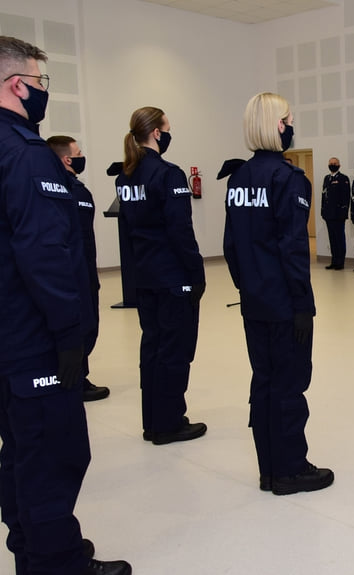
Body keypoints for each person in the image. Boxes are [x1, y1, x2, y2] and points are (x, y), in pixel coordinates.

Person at [0, 35, 131, 575]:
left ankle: (32, 549)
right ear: (16, 85)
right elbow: (45, 255)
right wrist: (70, 333)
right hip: (34, 338)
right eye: (39, 81)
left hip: (7, 335)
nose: (42, 92)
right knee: (53, 454)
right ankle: (56, 563)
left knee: (19, 452)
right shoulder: (28, 157)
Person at [221, 92, 334, 495]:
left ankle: (269, 469)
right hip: (285, 303)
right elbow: (292, 249)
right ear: (276, 125)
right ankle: (290, 470)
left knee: (264, 383)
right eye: (288, 119)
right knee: (289, 384)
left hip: (254, 302)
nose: (291, 125)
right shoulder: (288, 180)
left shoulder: (238, 178)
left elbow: (232, 245)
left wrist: (249, 286)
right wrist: (303, 304)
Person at [115, 106, 206, 446]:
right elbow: (181, 230)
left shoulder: (125, 176)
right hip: (172, 278)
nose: (169, 134)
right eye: (167, 128)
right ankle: (169, 424)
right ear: (156, 133)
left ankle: (153, 421)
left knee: (152, 348)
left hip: (145, 276)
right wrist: (196, 273)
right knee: (175, 350)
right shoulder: (167, 174)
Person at [47, 135, 111, 402]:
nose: (82, 155)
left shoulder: (65, 188)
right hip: (77, 269)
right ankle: (76, 378)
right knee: (84, 324)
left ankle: (78, 374)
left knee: (85, 323)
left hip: (78, 268)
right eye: (78, 152)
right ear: (67, 159)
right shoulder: (70, 191)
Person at [321, 156, 350, 270]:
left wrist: (344, 212)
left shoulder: (343, 178)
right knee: (332, 239)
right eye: (331, 163)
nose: (333, 165)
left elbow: (346, 197)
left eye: (335, 163)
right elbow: (324, 195)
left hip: (338, 214)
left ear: (339, 165)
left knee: (339, 239)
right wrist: (322, 210)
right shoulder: (326, 178)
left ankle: (340, 262)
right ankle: (334, 260)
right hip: (328, 214)